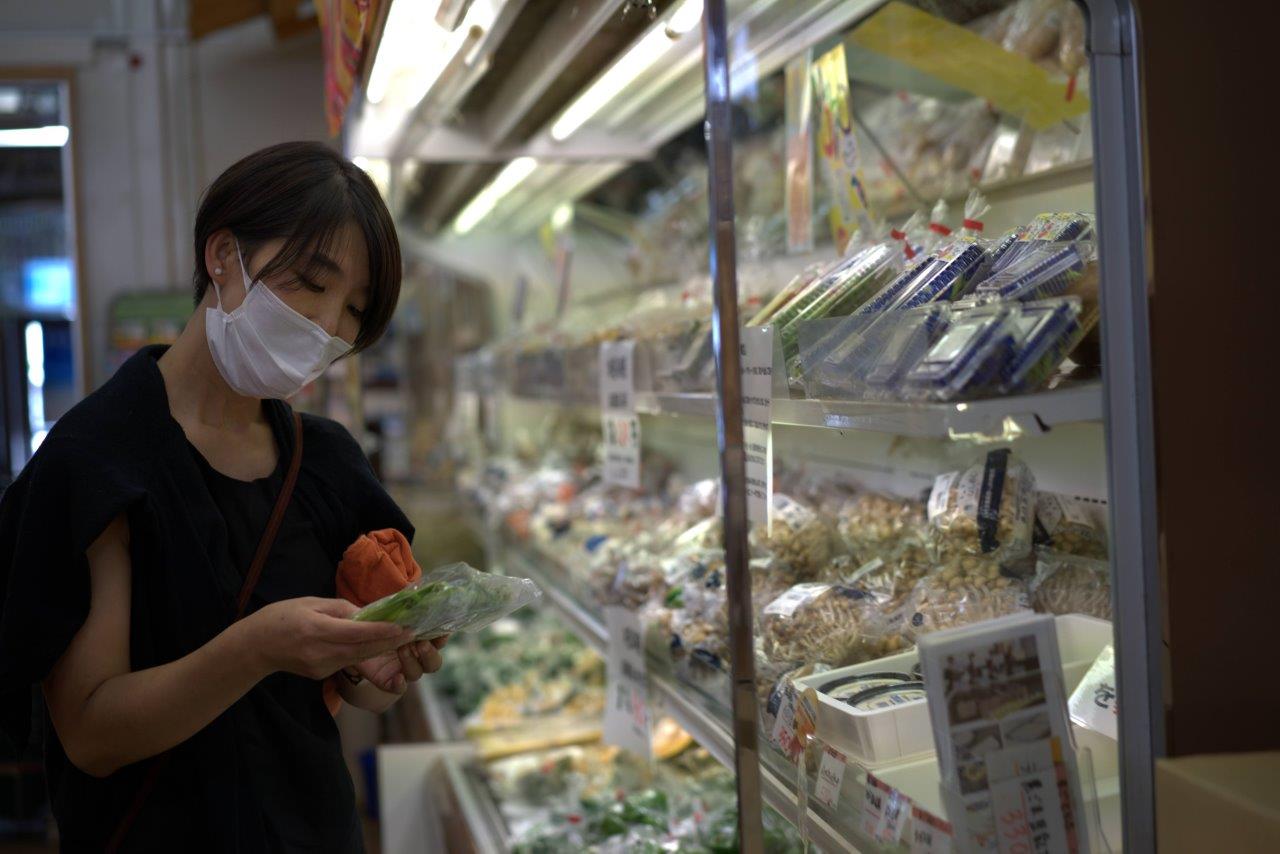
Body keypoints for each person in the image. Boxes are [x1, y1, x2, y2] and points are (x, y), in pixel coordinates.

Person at [0, 141, 441, 851]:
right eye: (309, 280)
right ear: (222, 256)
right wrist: (256, 648)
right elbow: (90, 733)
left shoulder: (325, 462)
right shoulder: (98, 462)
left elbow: (346, 686)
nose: (328, 325)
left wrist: (377, 666)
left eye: (354, 309)